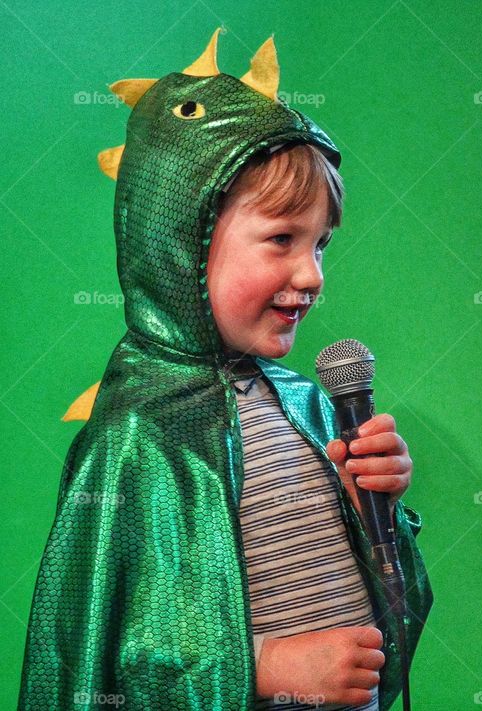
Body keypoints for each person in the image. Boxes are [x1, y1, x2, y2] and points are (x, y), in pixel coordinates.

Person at [18, 29, 431, 711]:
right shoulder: (136, 437)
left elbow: (388, 597)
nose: (311, 274)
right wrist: (266, 666)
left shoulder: (310, 405)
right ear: (181, 241)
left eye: (320, 245)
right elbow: (114, 652)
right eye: (281, 240)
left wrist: (374, 507)